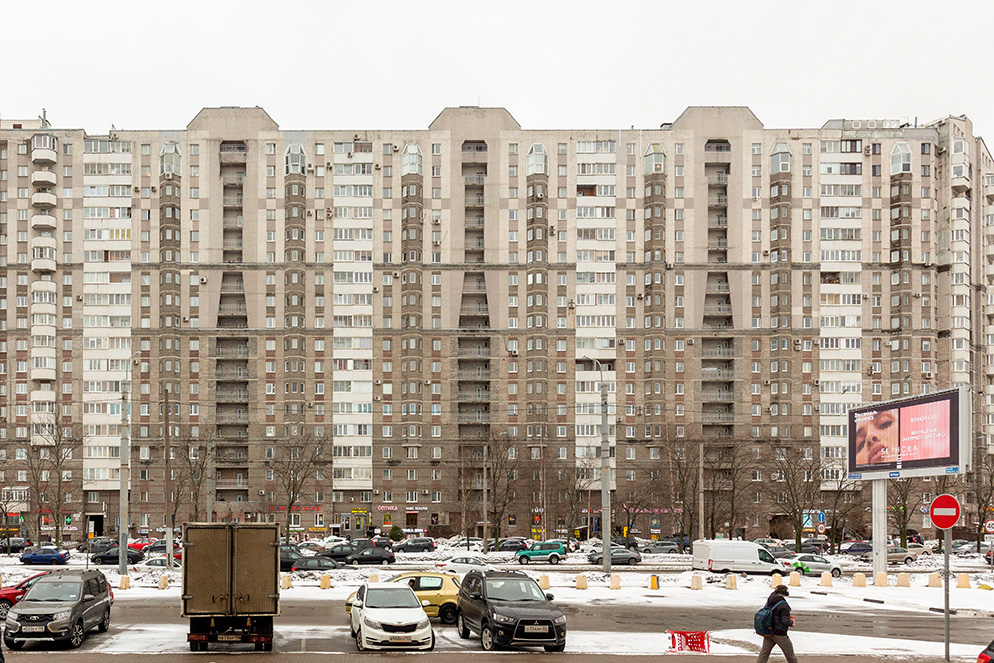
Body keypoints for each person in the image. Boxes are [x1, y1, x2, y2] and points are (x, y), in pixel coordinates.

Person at [757, 585, 797, 663]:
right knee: (790, 655)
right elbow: (785, 621)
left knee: (764, 653)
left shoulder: (770, 600)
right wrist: (791, 622)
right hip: (779, 633)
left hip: (768, 630)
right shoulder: (784, 605)